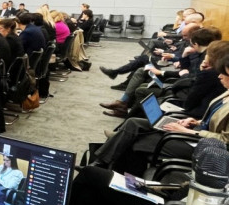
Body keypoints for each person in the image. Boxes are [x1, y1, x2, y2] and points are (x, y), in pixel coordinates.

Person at [90, 54, 229, 175]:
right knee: (134, 122)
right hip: (195, 130)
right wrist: (195, 122)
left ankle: (110, 172)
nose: (219, 75)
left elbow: (225, 140)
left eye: (225, 73)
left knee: (136, 142)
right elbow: (210, 117)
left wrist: (187, 131)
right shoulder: (226, 92)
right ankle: (100, 163)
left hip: (204, 147)